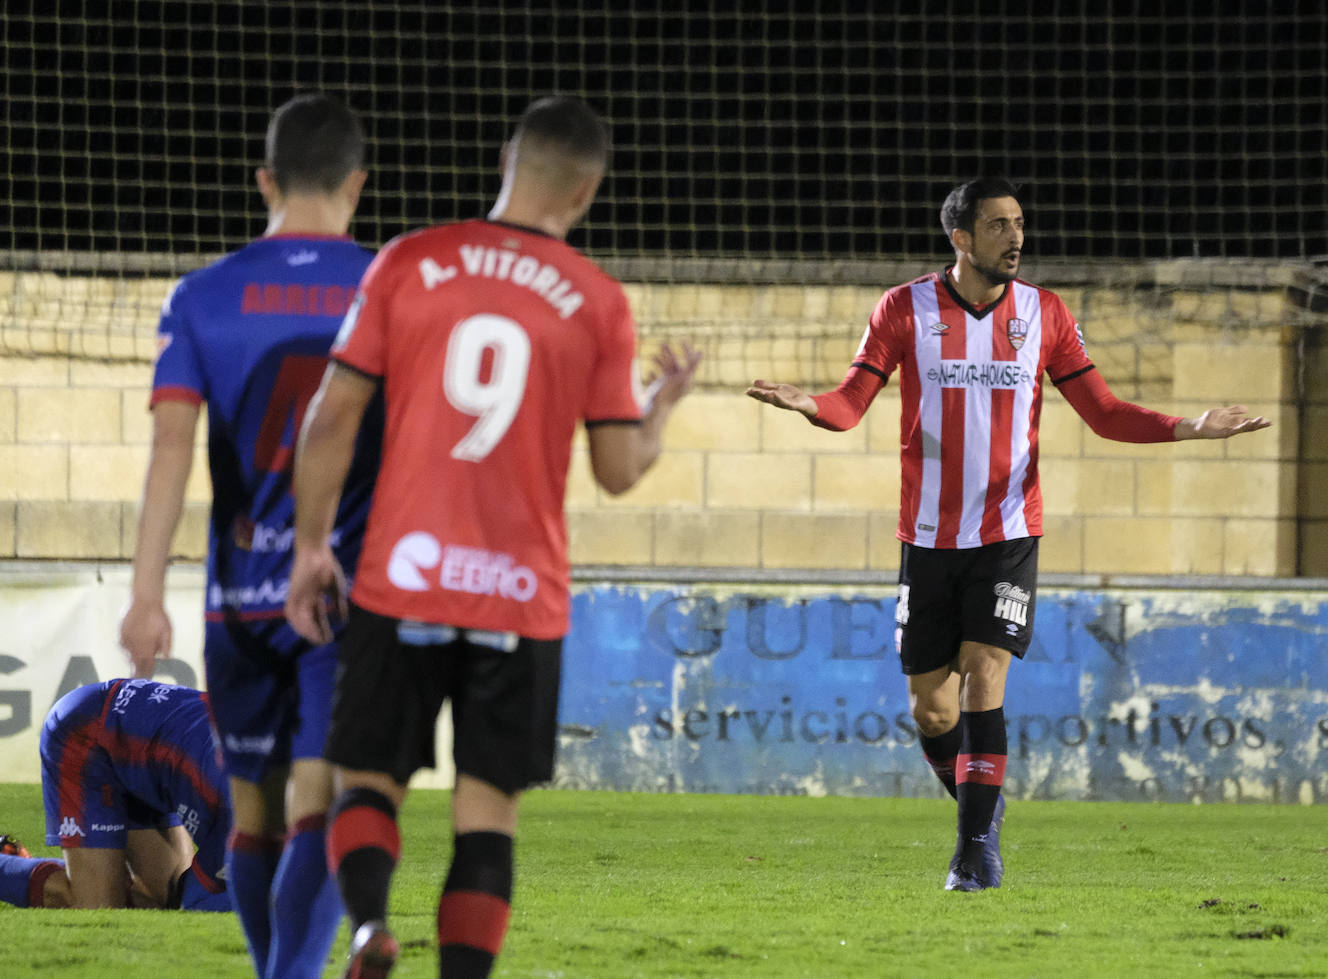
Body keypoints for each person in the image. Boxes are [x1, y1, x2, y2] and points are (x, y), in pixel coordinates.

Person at [747, 176, 1270, 892]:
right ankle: (981, 805)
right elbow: (851, 403)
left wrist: (1189, 427)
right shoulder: (905, 309)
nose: (1016, 237)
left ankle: (973, 854)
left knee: (984, 677)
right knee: (931, 707)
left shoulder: (1044, 314)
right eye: (998, 225)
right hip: (928, 536)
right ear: (960, 238)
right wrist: (810, 403)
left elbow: (1104, 411)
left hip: (1008, 531)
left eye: (1019, 223)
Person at [284, 95, 700, 978]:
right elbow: (620, 470)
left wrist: (312, 544)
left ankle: (366, 927)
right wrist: (660, 407)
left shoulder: (409, 261)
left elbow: (332, 417)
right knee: (486, 813)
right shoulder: (596, 301)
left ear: (508, 159)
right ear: (586, 191)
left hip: (404, 574)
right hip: (519, 592)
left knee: (369, 781)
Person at [118, 93, 381, 975]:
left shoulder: (202, 297)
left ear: (264, 180)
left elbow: (169, 449)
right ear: (358, 184)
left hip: (236, 598)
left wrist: (145, 595)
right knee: (325, 804)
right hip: (345, 591)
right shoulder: (387, 287)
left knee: (254, 813)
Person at [0, 679, 231, 911]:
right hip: (87, 733)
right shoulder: (244, 815)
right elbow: (198, 903)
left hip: (146, 748)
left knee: (163, 899)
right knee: (96, 904)